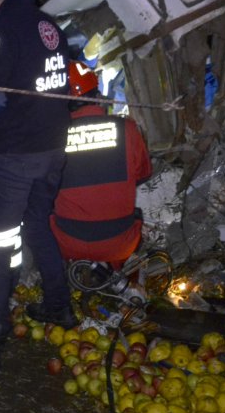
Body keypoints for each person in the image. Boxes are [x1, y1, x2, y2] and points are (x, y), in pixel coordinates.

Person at [0, 0, 75, 368]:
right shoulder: (52, 29)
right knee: (37, 224)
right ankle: (59, 305)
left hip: (14, 156)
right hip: (53, 150)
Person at [51, 62, 152, 266]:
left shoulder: (51, 137)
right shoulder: (127, 129)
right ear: (97, 94)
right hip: (120, 245)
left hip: (66, 244)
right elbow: (143, 174)